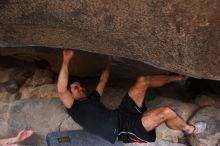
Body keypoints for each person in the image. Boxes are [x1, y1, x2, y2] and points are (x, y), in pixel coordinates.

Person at [57, 49, 207, 144]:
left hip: (123, 113)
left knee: (143, 80)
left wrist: (108, 62)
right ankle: (190, 130)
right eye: (76, 88)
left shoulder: (92, 98)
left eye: (80, 85)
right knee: (165, 112)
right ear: (70, 96)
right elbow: (62, 90)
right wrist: (66, 60)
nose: (81, 87)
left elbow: (103, 80)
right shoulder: (74, 108)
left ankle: (179, 78)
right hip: (123, 129)